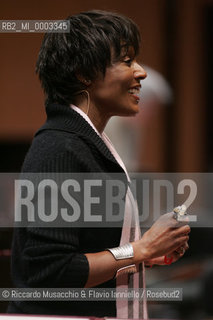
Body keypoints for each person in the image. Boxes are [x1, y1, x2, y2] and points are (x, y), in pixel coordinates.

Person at [8, 10, 190, 318]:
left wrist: (147, 255)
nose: (142, 72)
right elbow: (50, 271)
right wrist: (140, 249)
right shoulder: (60, 147)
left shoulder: (86, 143)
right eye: (127, 60)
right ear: (83, 73)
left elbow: (84, 253)